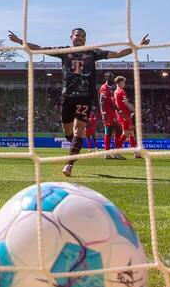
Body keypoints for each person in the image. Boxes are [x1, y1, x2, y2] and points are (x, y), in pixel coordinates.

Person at [8, 28, 149, 176]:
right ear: (71, 37)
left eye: (83, 36)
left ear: (85, 39)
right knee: (68, 133)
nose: (80, 37)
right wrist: (19, 41)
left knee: (79, 131)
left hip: (85, 98)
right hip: (67, 97)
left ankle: (69, 164)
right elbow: (39, 49)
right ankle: (75, 147)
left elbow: (117, 54)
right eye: (77, 35)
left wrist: (137, 47)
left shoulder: (92, 53)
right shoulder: (64, 51)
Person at [99, 72, 124, 160]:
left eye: (113, 77)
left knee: (109, 133)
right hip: (108, 114)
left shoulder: (110, 88)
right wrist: (104, 113)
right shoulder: (104, 87)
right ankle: (115, 152)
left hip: (112, 113)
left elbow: (112, 102)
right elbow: (102, 101)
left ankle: (107, 153)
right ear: (106, 78)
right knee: (118, 130)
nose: (112, 78)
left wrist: (118, 110)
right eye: (111, 77)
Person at [114, 76, 139, 156]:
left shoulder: (115, 92)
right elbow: (126, 103)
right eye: (124, 82)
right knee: (126, 133)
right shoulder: (121, 92)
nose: (124, 84)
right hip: (125, 114)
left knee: (131, 133)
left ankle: (135, 152)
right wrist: (135, 109)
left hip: (120, 114)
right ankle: (117, 149)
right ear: (120, 82)